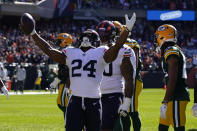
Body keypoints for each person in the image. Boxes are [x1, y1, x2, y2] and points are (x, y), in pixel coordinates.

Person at [20, 12, 136, 131]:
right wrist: (126, 30)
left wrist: (34, 34)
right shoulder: (100, 52)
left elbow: (49, 50)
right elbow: (116, 47)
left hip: (77, 100)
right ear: (95, 41)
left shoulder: (71, 52)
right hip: (92, 100)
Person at [98, 20, 136, 131]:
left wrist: (127, 101)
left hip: (113, 94)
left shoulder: (124, 50)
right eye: (100, 33)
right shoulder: (95, 50)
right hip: (95, 94)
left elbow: (129, 78)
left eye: (104, 33)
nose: (101, 36)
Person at [154, 24, 190, 131]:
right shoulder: (173, 49)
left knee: (178, 127)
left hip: (177, 96)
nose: (156, 39)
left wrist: (165, 100)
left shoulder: (171, 50)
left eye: (157, 36)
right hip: (173, 96)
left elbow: (173, 78)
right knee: (163, 126)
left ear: (163, 36)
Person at [124, 38, 143, 131]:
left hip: (133, 79)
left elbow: (134, 64)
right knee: (124, 111)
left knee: (132, 110)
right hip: (126, 79)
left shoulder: (131, 43)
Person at [55, 33, 72, 120]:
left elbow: (65, 72)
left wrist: (55, 82)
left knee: (64, 105)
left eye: (59, 41)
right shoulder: (71, 51)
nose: (57, 43)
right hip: (71, 83)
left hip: (67, 84)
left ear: (64, 41)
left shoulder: (67, 52)